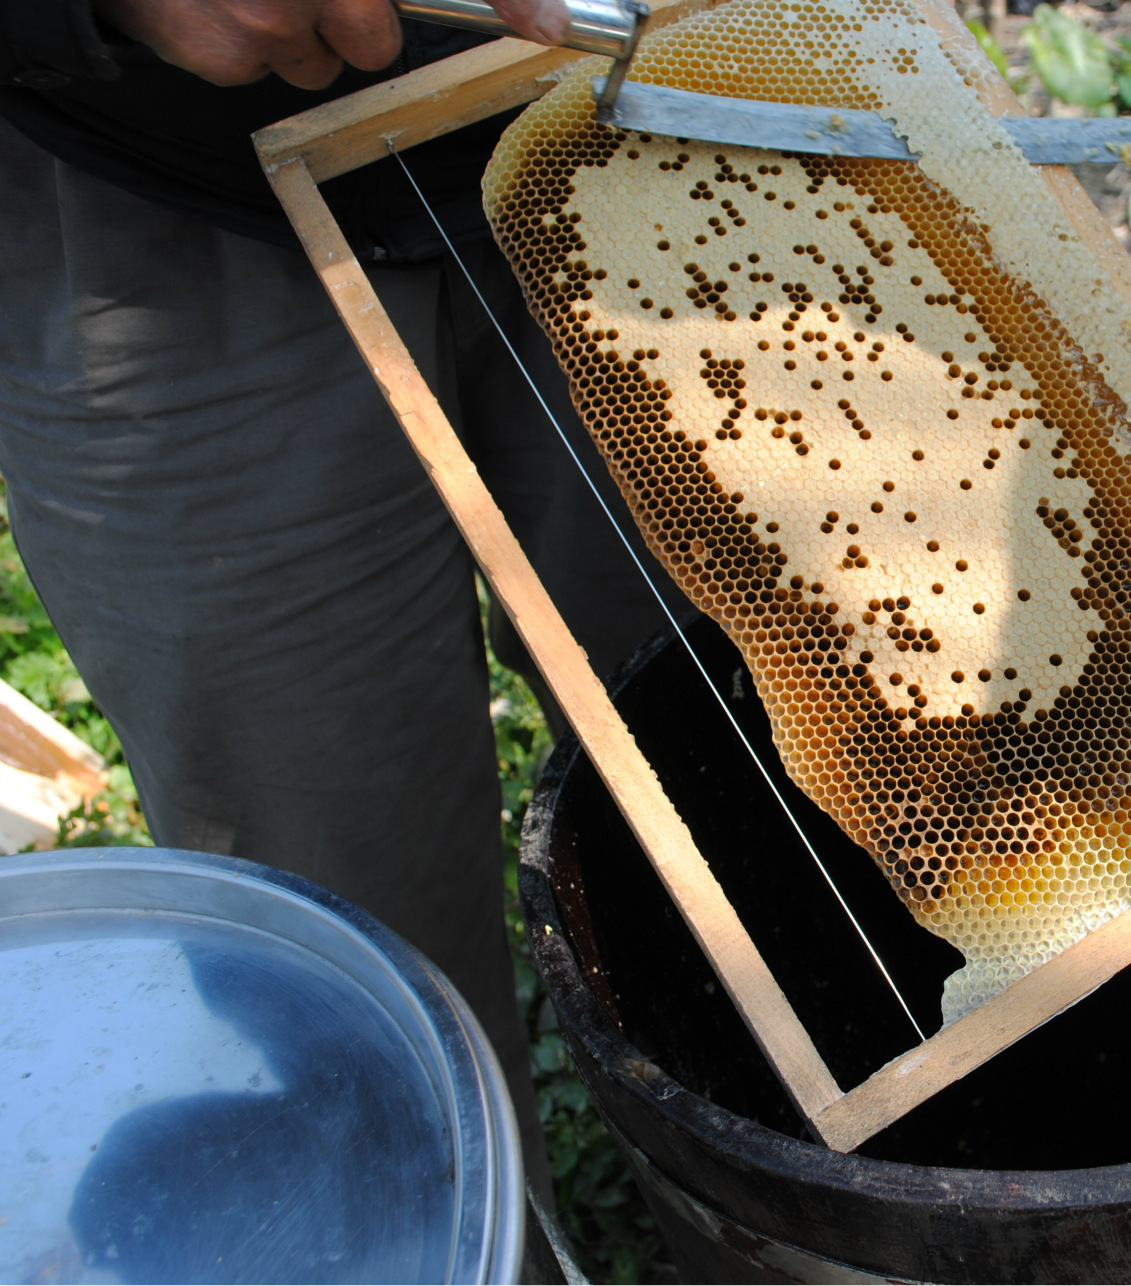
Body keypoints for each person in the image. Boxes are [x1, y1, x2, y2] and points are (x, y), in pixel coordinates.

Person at [0, 0, 692, 1241]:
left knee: (782, 768)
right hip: (141, 195)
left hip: (656, 83)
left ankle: (773, 1208)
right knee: (346, 947)